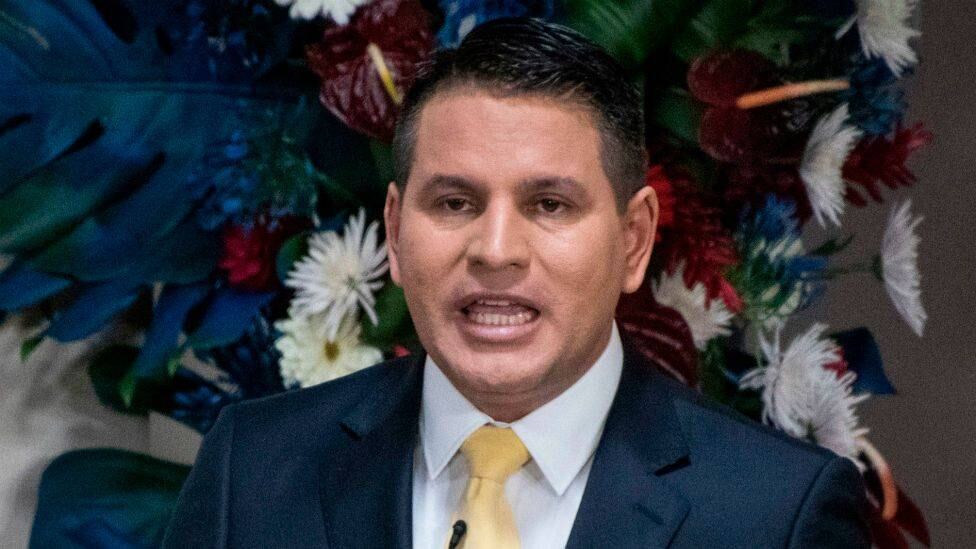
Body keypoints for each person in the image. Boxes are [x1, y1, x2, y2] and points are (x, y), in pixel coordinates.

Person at [163, 17, 870, 549]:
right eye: (454, 203)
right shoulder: (252, 471)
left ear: (633, 239)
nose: (496, 251)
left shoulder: (775, 514)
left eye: (550, 205)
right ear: (395, 232)